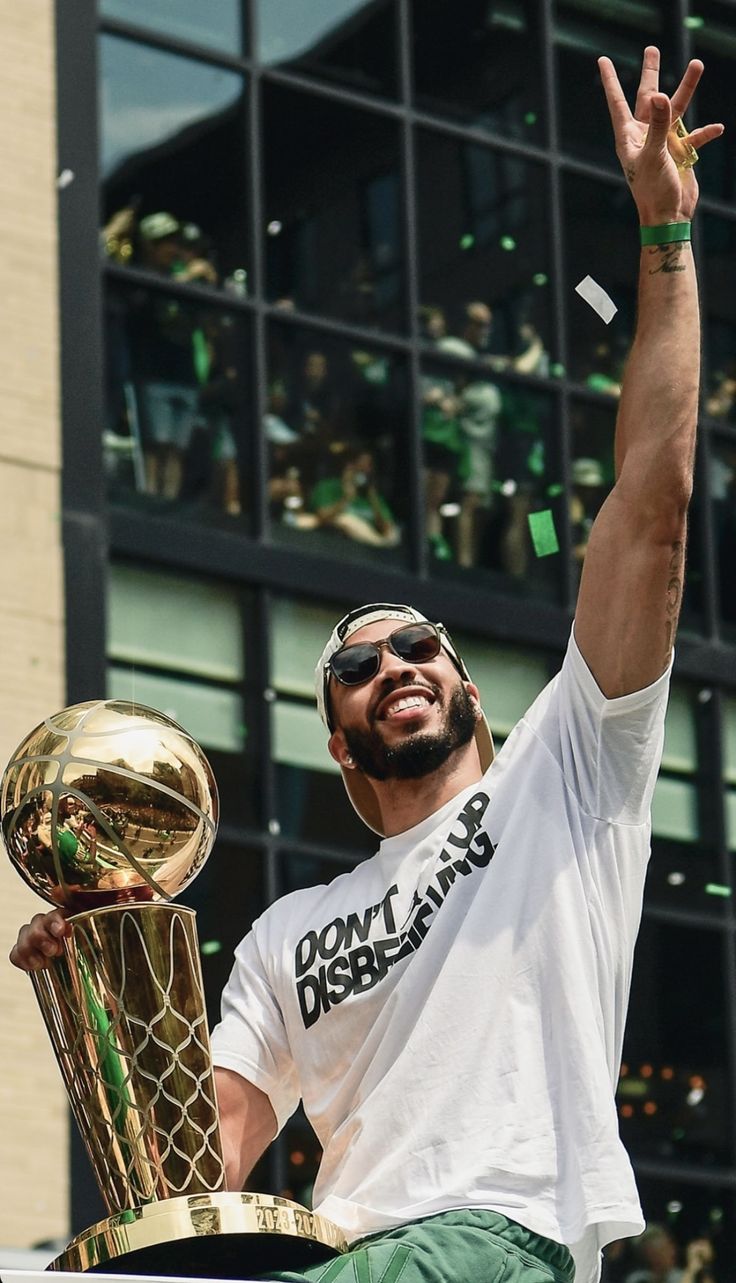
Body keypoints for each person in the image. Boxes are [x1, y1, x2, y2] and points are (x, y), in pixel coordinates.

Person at [10, 49, 724, 1283]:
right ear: (337, 736)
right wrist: (111, 1004)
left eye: (419, 645)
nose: (394, 658)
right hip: (350, 1247)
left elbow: (649, 505)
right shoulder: (291, 930)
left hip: (499, 1233)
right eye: (357, 660)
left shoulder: (565, 776)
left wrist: (661, 236)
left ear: (468, 691)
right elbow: (203, 1167)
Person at [624, 1224, 715, 1283]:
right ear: (651, 1254)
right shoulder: (639, 1279)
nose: (673, 1252)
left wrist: (703, 1266)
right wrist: (691, 1270)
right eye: (665, 1249)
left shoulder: (676, 1275)